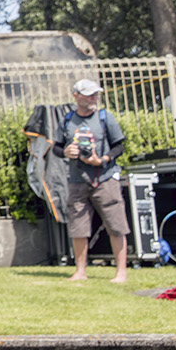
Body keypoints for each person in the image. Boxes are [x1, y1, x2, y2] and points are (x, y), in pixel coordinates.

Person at [53, 78, 128, 283]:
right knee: (78, 226)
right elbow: (56, 147)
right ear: (76, 96)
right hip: (77, 180)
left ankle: (121, 272)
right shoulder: (68, 120)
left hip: (104, 178)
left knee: (116, 224)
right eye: (89, 94)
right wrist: (66, 151)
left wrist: (102, 159)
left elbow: (119, 146)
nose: (94, 97)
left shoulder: (105, 117)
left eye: (96, 93)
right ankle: (80, 271)